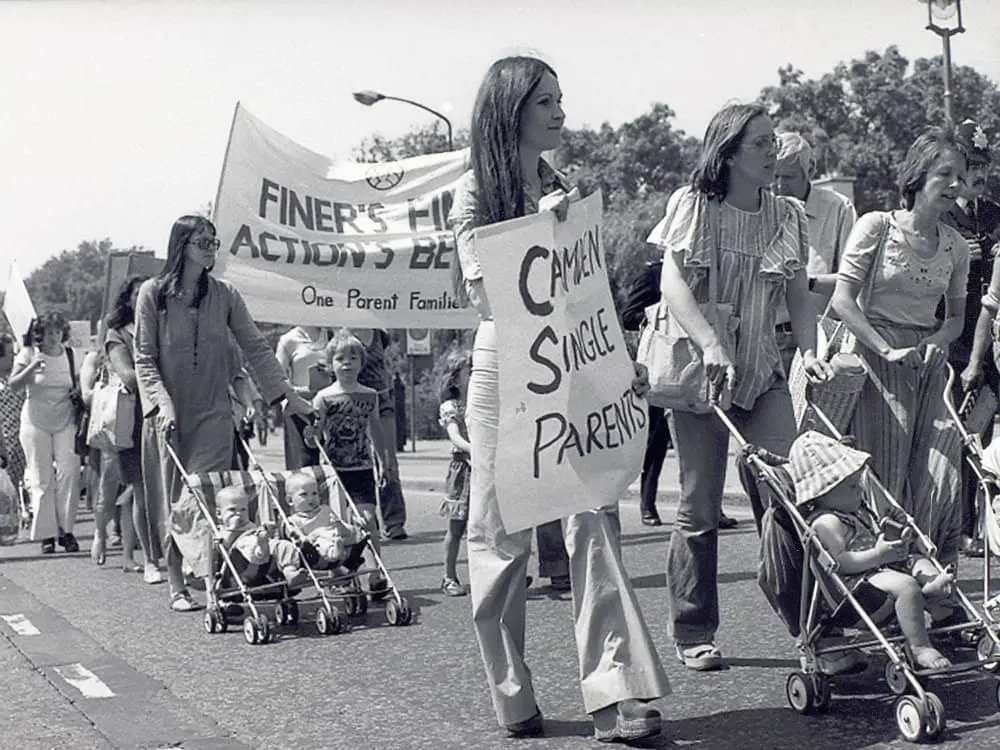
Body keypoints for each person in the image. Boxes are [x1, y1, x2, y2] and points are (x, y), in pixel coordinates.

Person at [449, 55, 669, 744]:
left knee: (592, 522)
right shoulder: (472, 196)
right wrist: (539, 232)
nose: (560, 112)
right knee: (497, 536)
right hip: (504, 373)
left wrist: (617, 363)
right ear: (511, 110)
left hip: (570, 367)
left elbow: (586, 292)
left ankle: (614, 696)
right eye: (547, 100)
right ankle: (511, 694)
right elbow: (488, 296)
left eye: (560, 98)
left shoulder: (566, 188)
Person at [648, 103, 831, 671]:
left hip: (763, 372)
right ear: (726, 152)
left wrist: (811, 352)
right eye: (760, 143)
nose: (772, 151)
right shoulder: (694, 205)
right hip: (704, 374)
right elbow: (673, 284)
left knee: (788, 498)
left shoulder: (789, 214)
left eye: (775, 141)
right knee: (700, 507)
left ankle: (814, 632)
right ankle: (693, 629)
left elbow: (798, 297)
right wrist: (708, 342)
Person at [134, 215, 314, 612]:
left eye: (214, 242)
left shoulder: (226, 294)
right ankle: (178, 581)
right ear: (181, 247)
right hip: (169, 416)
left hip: (215, 412)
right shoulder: (153, 294)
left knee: (209, 496)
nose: (211, 249)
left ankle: (221, 580)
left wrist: (286, 397)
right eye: (202, 242)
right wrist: (161, 402)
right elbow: (143, 359)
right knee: (176, 498)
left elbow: (255, 347)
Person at [831, 127, 968, 571]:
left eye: (960, 176)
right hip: (876, 360)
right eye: (944, 173)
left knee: (942, 472)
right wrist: (885, 350)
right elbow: (842, 302)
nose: (955, 185)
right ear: (917, 176)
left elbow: (955, 321)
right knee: (886, 475)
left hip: (928, 363)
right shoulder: (877, 226)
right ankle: (887, 580)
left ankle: (933, 577)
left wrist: (932, 344)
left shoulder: (956, 246)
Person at [788, 431, 957, 670]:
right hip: (858, 586)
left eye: (858, 484)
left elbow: (877, 538)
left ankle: (930, 586)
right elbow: (841, 562)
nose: (859, 490)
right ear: (823, 492)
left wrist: (896, 532)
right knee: (905, 585)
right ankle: (920, 646)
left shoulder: (856, 511)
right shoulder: (826, 522)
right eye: (851, 486)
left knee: (919, 560)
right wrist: (879, 555)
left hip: (882, 569)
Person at [943, 120, 1000, 559]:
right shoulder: (942, 215)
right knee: (962, 435)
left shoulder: (995, 212)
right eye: (972, 165)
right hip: (955, 340)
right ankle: (962, 528)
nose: (980, 173)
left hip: (993, 340)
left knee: (987, 431)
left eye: (985, 164)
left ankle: (991, 522)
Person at [312, 329, 395, 596]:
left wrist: (384, 460)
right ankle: (339, 572)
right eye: (339, 358)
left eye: (352, 358)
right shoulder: (323, 397)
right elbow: (317, 432)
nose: (346, 363)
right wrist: (311, 435)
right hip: (334, 471)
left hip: (361, 468)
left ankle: (375, 572)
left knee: (368, 519)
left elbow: (376, 428)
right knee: (336, 526)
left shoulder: (370, 395)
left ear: (362, 362)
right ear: (330, 364)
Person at [772, 131, 858, 373]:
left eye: (788, 177)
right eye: (773, 175)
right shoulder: (759, 209)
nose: (779, 186)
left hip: (821, 342)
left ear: (810, 171)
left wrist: (804, 283)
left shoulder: (839, 210)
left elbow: (855, 281)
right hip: (766, 341)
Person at [9, 313, 84, 554]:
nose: (54, 337)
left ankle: (66, 530)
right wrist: (31, 368)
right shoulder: (28, 353)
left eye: (58, 332)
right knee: (42, 478)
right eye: (49, 332)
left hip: (64, 419)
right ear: (39, 334)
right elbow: (14, 385)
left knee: (70, 471)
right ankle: (46, 534)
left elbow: (79, 382)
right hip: (35, 422)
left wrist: (79, 392)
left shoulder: (70, 355)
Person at [104, 275, 161, 581]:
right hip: (135, 422)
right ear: (128, 300)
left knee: (171, 492)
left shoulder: (163, 326)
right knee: (142, 492)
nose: (144, 299)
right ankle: (150, 559)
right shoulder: (117, 335)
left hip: (167, 416)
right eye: (138, 294)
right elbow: (127, 376)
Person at [346, 328, 408, 540]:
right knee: (360, 460)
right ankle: (362, 520)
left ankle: (394, 522)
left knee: (388, 459)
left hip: (382, 401)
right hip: (355, 402)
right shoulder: (342, 333)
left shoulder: (380, 335)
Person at [215, 485, 308, 589]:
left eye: (243, 510)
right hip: (243, 564)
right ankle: (261, 547)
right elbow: (224, 546)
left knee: (284, 545)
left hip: (266, 558)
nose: (239, 514)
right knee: (249, 544)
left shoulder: (250, 525)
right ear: (219, 514)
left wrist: (267, 532)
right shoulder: (221, 532)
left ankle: (290, 572)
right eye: (232, 510)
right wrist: (233, 530)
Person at [437, 350, 472, 597]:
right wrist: (473, 448)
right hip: (464, 467)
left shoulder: (486, 401)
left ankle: (500, 572)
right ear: (456, 378)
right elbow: (455, 435)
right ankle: (449, 576)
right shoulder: (452, 406)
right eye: (470, 371)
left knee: (491, 523)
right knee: (457, 527)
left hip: (486, 465)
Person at [285, 470, 365, 571]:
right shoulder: (294, 520)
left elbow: (340, 526)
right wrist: (304, 538)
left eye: (314, 493)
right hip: (318, 550)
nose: (311, 498)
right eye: (304, 494)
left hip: (336, 536)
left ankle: (355, 541)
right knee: (322, 542)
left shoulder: (325, 509)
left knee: (352, 530)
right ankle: (334, 552)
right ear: (290, 500)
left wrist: (342, 524)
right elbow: (299, 538)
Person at [276, 325, 330, 470]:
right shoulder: (288, 340)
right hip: (299, 410)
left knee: (333, 466)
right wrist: (300, 391)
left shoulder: (332, 335)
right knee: (303, 466)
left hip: (330, 407)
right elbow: (278, 377)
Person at [0, 334, 27, 497]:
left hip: (20, 445)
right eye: (10, 354)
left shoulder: (16, 380)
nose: (13, 358)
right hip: (4, 446)